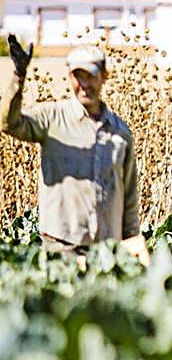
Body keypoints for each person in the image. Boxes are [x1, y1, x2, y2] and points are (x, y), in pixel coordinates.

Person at [1, 36, 149, 264]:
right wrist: (18, 76)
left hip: (106, 250)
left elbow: (128, 194)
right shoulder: (52, 118)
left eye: (90, 76)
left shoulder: (120, 133)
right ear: (70, 77)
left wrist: (131, 240)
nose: (84, 84)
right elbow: (8, 123)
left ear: (104, 77)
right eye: (78, 76)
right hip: (62, 246)